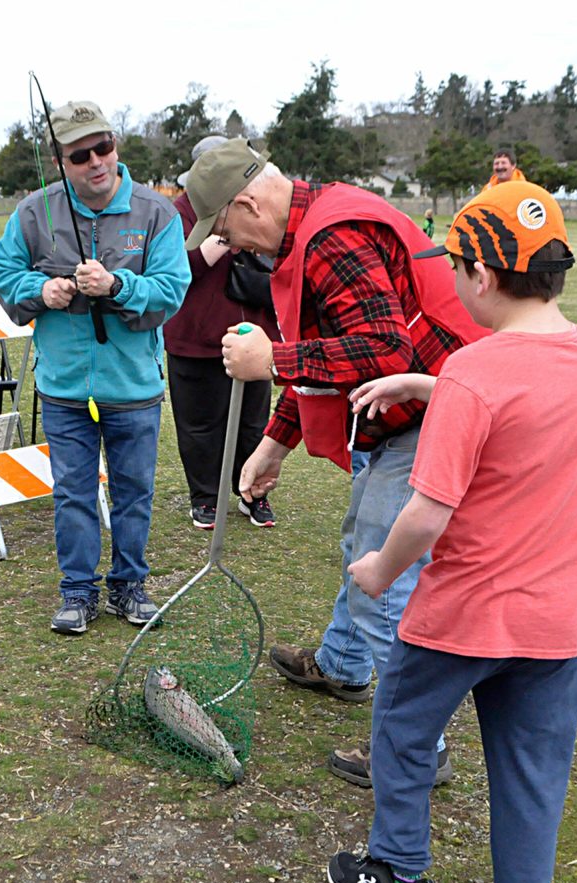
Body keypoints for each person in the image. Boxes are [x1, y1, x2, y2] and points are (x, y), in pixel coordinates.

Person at [327, 181, 577, 883]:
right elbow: (517, 404)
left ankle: (399, 876)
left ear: (482, 274)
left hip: (459, 617)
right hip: (555, 627)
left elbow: (426, 510)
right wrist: (427, 387)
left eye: (454, 264)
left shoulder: (475, 373)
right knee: (531, 773)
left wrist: (377, 573)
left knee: (404, 735)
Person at [184, 139, 484, 784]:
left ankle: (415, 748)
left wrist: (274, 363)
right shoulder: (309, 230)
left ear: (246, 205)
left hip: (433, 413)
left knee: (385, 577)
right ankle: (344, 666)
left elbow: (383, 350)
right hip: (400, 415)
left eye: (226, 232)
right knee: (363, 543)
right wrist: (274, 443)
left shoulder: (333, 237)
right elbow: (327, 350)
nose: (231, 247)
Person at [0, 100, 189, 635]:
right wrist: (41, 289)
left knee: (134, 493)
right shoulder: (33, 212)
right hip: (64, 386)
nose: (97, 161)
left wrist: (118, 285)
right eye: (81, 154)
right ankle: (77, 592)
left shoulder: (157, 212)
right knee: (73, 493)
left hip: (134, 386)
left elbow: (173, 289)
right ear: (62, 161)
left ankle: (129, 586)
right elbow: (0, 271)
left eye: (104, 146)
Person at [164, 136, 279, 530]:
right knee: (200, 424)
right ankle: (206, 498)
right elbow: (177, 269)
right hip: (195, 337)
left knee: (253, 420)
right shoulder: (176, 213)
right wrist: (221, 239)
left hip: (252, 335)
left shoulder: (258, 206)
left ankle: (253, 493)